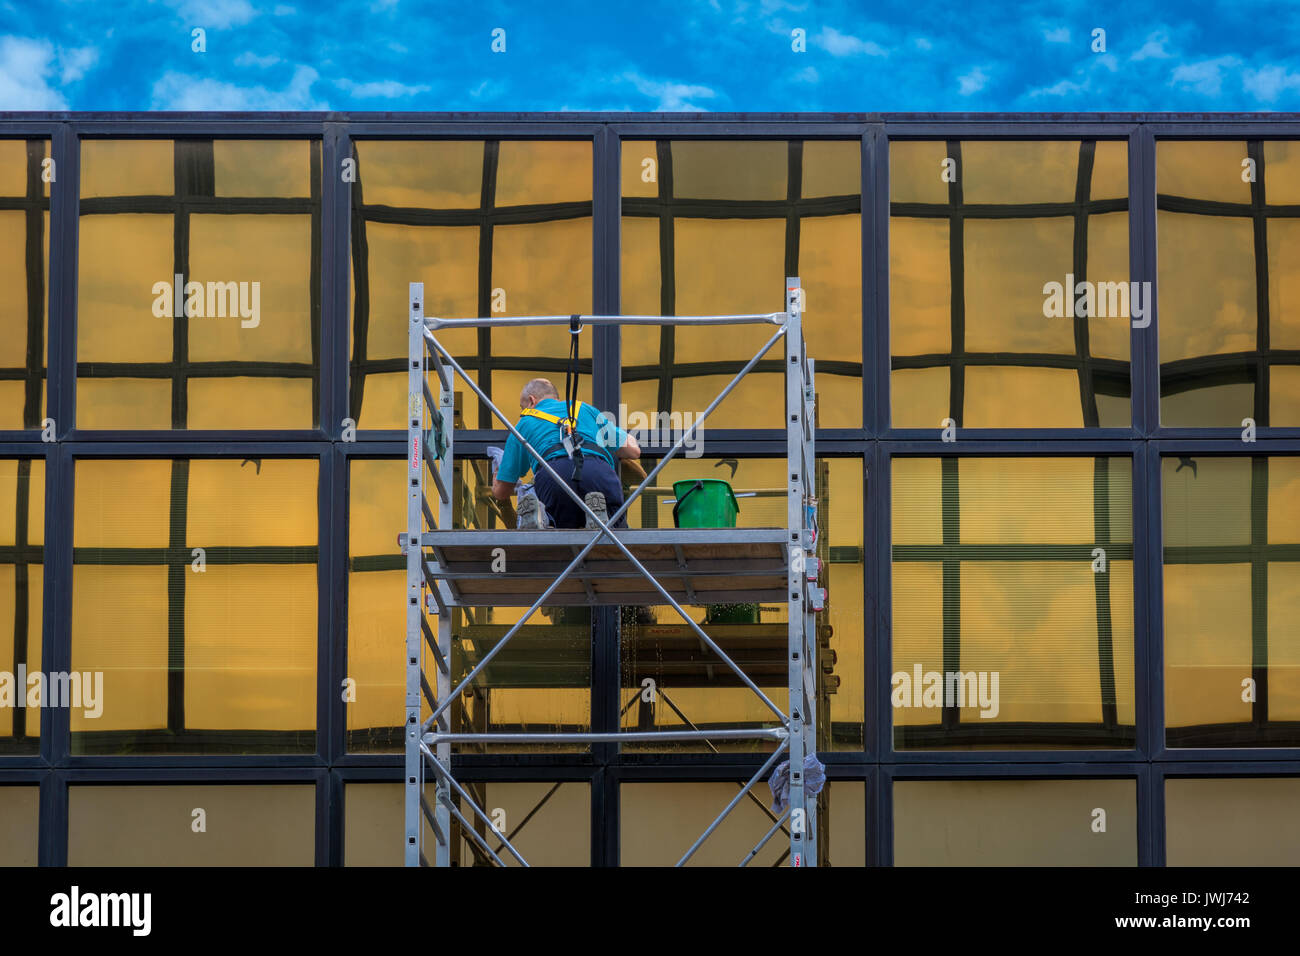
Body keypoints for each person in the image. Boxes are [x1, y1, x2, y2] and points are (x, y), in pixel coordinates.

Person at [491, 378, 640, 529]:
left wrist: (496, 481)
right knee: (616, 531)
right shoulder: (584, 409)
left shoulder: (524, 423)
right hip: (597, 471)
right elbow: (633, 451)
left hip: (553, 475)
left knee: (563, 537)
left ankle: (540, 520)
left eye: (523, 408)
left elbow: (502, 491)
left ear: (531, 401)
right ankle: (599, 517)